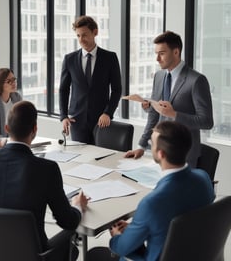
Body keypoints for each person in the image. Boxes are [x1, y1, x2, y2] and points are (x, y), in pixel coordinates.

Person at [0, 100, 88, 261]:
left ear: (7, 129)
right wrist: (78, 207)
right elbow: (67, 221)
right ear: (34, 130)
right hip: (33, 256)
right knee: (71, 249)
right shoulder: (47, 169)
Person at [88, 121, 215, 261]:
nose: (150, 145)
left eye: (151, 142)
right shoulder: (204, 179)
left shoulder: (153, 203)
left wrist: (118, 236)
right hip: (195, 254)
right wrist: (138, 225)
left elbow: (121, 247)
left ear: (160, 154)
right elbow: (179, 217)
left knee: (94, 255)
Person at [124, 31, 213, 167]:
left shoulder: (196, 80)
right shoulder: (159, 76)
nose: (157, 59)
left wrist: (174, 114)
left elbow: (207, 122)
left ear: (176, 52)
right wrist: (141, 145)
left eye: (162, 53)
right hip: (160, 152)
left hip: (184, 156)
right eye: (156, 54)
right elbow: (154, 116)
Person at [59, 15, 122, 144]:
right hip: (76, 121)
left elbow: (117, 89)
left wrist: (108, 113)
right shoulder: (69, 59)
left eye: (85, 35)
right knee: (80, 158)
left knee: (100, 158)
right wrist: (63, 116)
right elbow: (63, 90)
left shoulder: (110, 58)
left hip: (102, 120)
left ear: (95, 32)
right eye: (78, 36)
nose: (81, 39)